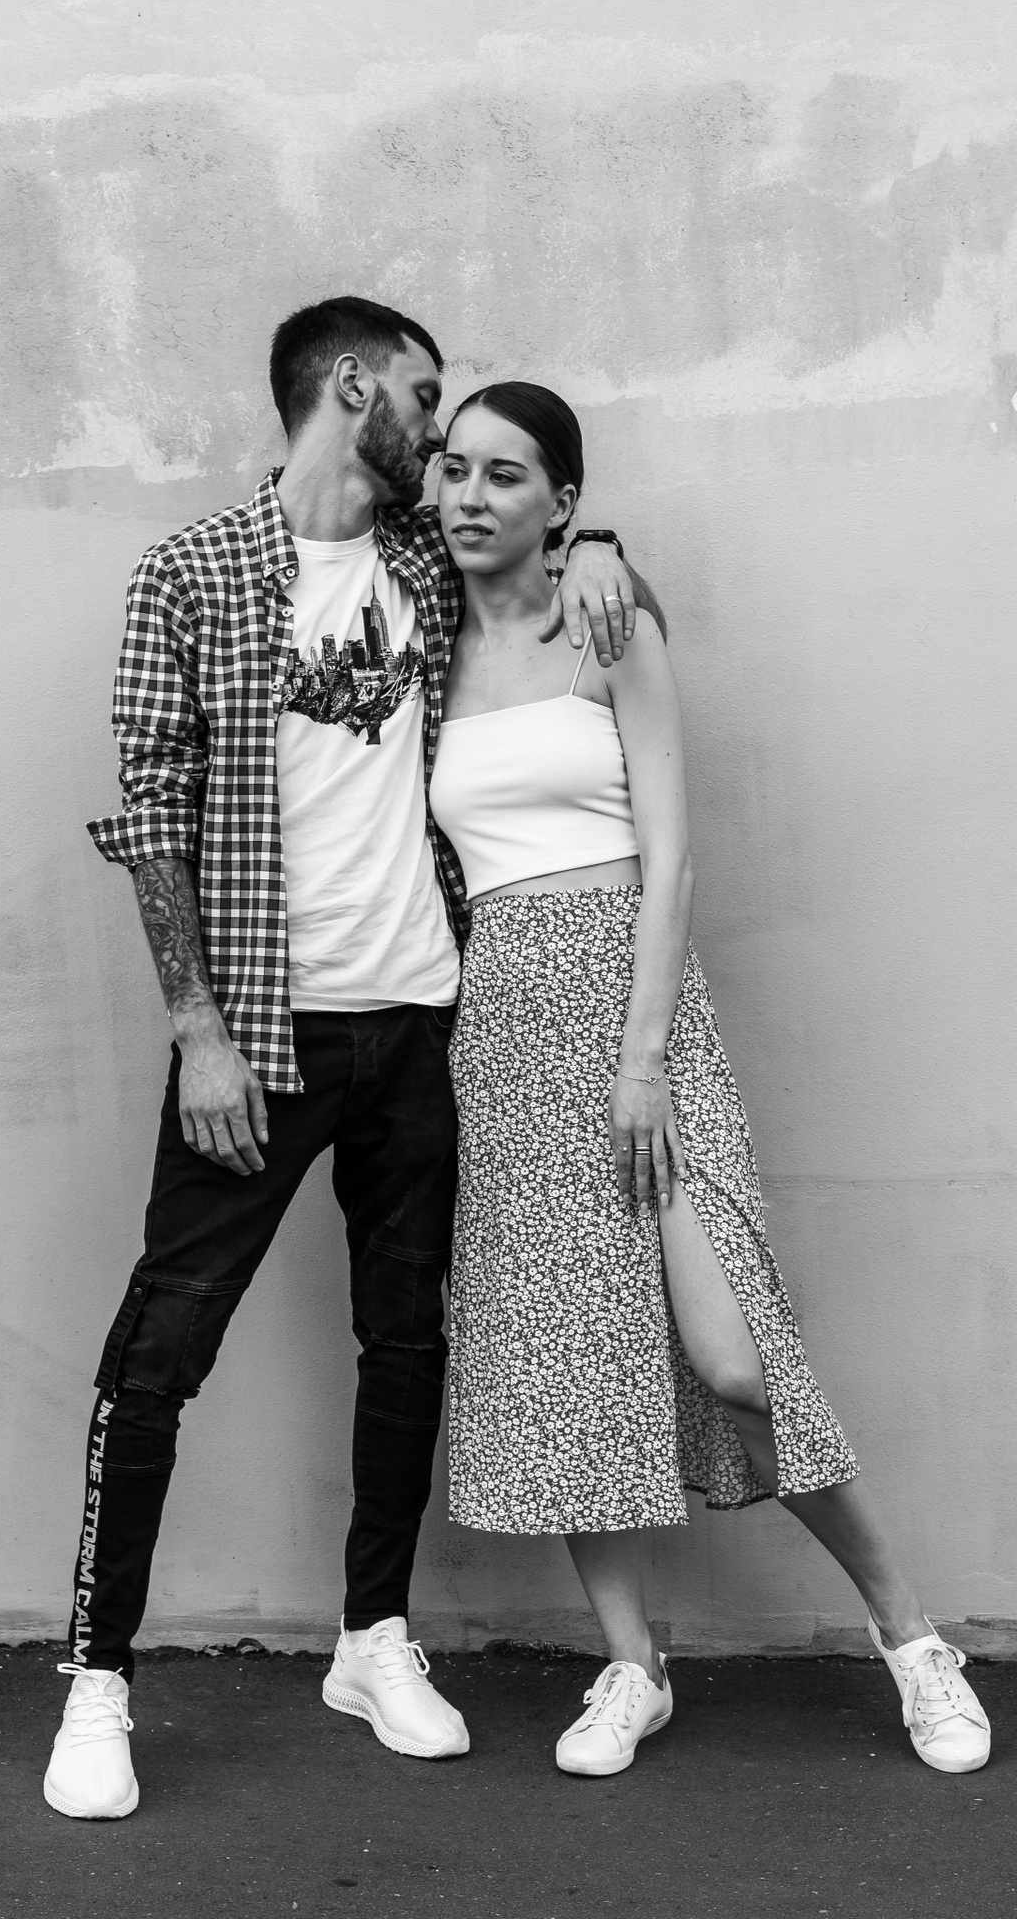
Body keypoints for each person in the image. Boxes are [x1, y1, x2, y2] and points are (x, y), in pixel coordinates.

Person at [42, 300, 653, 1819]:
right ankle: (98, 1683)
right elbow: (152, 810)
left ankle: (372, 1639)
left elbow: (548, 561)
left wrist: (603, 544)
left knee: (405, 1344)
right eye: (427, 403)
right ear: (357, 387)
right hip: (260, 1038)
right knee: (162, 1350)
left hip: (426, 1023)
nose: (443, 442)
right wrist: (197, 1031)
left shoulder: (424, 561)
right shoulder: (192, 573)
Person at [428, 381, 991, 1780]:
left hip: (637, 1014)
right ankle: (633, 1664)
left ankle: (913, 1637)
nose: (471, 496)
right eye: (453, 468)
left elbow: (671, 855)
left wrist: (643, 1062)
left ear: (563, 502)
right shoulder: (422, 646)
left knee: (736, 1360)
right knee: (563, 1357)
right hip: (503, 1032)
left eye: (507, 475)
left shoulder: (610, 621)